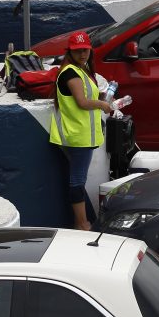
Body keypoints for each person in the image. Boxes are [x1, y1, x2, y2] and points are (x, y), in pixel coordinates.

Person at [48, 31, 113, 231]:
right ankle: (81, 223)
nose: (82, 54)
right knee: (77, 181)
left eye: (85, 50)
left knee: (77, 180)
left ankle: (82, 221)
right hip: (77, 136)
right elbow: (83, 102)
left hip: (80, 135)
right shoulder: (70, 73)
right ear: (70, 52)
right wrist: (103, 104)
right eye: (78, 51)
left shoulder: (79, 69)